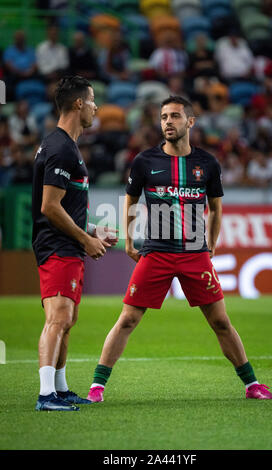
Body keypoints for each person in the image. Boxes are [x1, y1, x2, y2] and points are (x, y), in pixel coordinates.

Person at [87, 95, 272, 402]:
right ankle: (97, 388)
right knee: (127, 319)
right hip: (157, 252)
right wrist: (131, 240)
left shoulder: (207, 164)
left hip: (194, 253)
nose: (168, 122)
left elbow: (215, 207)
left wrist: (212, 242)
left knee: (221, 321)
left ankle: (252, 385)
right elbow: (131, 201)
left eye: (174, 116)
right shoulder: (145, 161)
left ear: (190, 122)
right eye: (163, 117)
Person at [32, 75, 118, 411]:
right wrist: (84, 239)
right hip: (57, 245)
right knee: (57, 318)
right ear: (79, 103)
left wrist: (91, 230)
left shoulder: (67, 147)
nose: (96, 107)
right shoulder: (60, 148)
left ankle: (60, 388)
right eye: (93, 99)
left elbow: (64, 207)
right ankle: (45, 395)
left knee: (68, 319)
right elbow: (49, 207)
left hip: (66, 243)